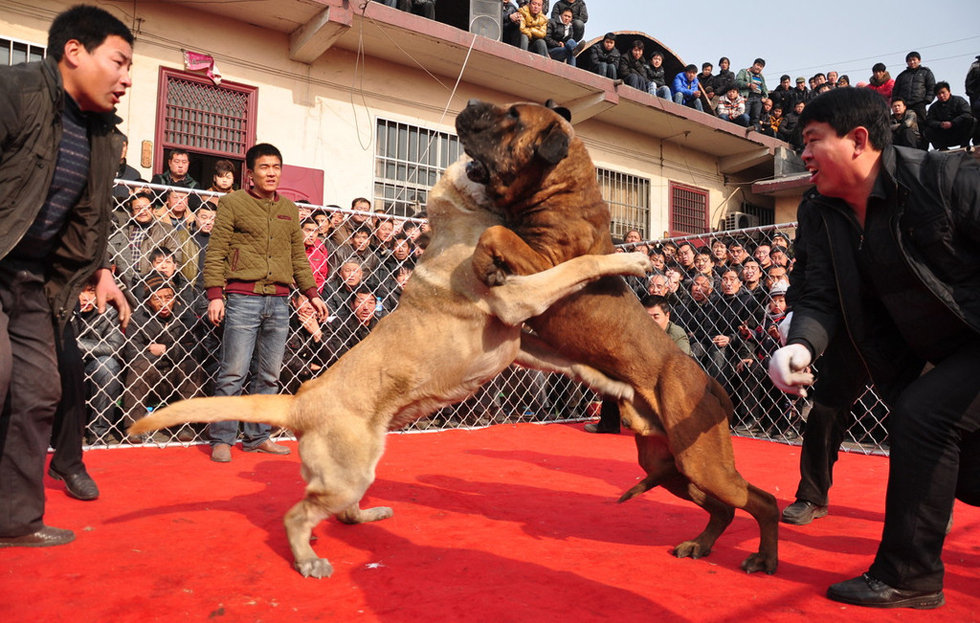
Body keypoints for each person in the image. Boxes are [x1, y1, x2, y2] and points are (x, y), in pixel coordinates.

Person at [768, 86, 980, 609]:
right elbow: (818, 290)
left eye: (814, 139)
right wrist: (802, 347)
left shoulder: (947, 178)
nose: (804, 154)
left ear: (859, 140)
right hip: (933, 355)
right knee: (968, 473)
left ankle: (909, 574)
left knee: (923, 416)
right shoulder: (819, 212)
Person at [0, 5, 133, 549]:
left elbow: (89, 211)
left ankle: (13, 519)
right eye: (119, 61)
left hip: (33, 278)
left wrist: (100, 269)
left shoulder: (103, 133)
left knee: (39, 391)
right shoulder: (14, 91)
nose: (126, 79)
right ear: (73, 51)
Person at [203, 143, 327, 463]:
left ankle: (258, 436)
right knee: (233, 370)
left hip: (280, 301)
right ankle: (222, 437)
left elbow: (299, 258)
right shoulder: (232, 203)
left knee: (269, 374)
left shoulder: (288, 209)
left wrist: (312, 293)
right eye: (264, 167)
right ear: (251, 173)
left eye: (276, 167)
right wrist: (215, 294)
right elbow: (216, 251)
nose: (271, 173)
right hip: (243, 298)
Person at [583, 295, 690, 434]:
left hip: (669, 380)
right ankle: (608, 425)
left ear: (667, 315)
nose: (650, 321)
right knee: (613, 375)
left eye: (656, 316)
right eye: (647, 317)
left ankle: (672, 428)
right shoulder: (635, 331)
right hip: (642, 376)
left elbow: (680, 365)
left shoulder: (676, 334)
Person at [892, 51, 936, 150]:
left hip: (919, 104)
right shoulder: (902, 75)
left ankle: (923, 149)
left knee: (922, 127)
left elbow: (932, 87)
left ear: (919, 60)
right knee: (904, 127)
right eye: (909, 60)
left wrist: (927, 100)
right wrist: (895, 102)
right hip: (905, 105)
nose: (912, 62)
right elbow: (895, 90)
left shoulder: (926, 72)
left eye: (914, 60)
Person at [924, 82, 976, 151]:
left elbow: (967, 114)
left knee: (972, 121)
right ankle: (942, 148)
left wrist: (953, 123)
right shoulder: (933, 107)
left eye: (943, 92)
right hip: (944, 135)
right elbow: (930, 120)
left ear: (949, 91)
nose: (941, 95)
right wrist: (940, 124)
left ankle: (964, 144)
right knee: (927, 130)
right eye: (938, 94)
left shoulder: (959, 100)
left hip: (959, 132)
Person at [735, 58, 769, 129]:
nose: (758, 68)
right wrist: (748, 85)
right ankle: (742, 130)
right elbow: (737, 82)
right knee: (745, 114)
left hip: (758, 98)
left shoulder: (761, 76)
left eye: (761, 67)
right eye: (757, 65)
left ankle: (754, 132)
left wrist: (765, 97)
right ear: (753, 64)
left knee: (756, 117)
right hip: (747, 96)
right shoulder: (744, 72)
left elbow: (765, 88)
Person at [966, 54, 980, 147]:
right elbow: (968, 82)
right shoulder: (975, 65)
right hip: (977, 98)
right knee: (977, 120)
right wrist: (972, 94)